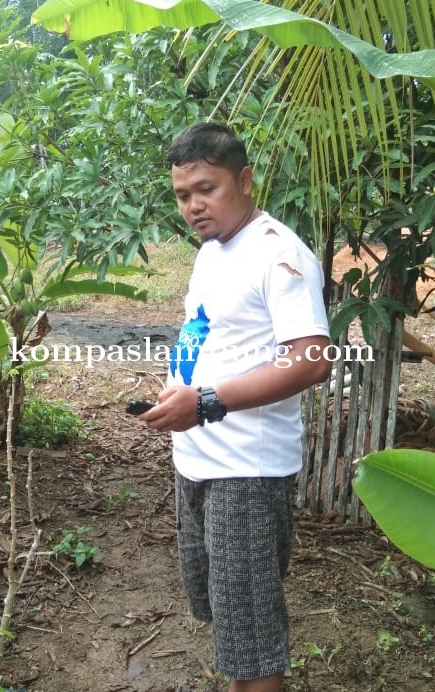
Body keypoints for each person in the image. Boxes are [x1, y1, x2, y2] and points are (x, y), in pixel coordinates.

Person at [138, 122, 332, 691]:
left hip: (245, 471)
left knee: (253, 639)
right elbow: (206, 331)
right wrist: (178, 391)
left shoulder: (278, 253)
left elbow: (312, 361)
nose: (194, 206)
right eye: (183, 195)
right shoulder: (213, 250)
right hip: (198, 459)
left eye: (207, 188)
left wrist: (204, 402)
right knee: (228, 622)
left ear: (244, 180)